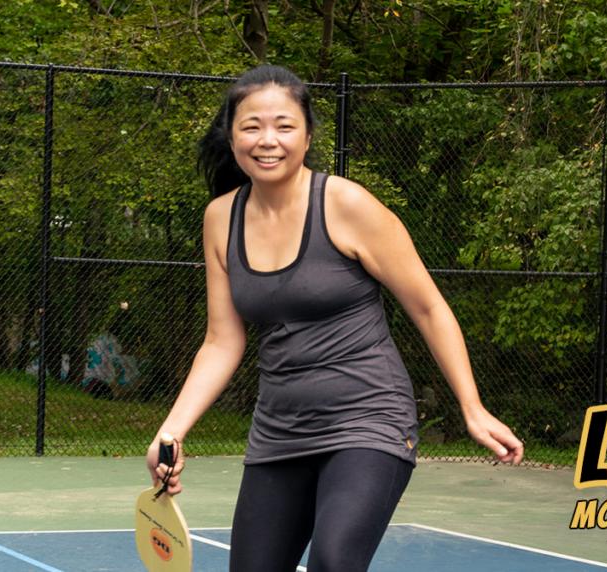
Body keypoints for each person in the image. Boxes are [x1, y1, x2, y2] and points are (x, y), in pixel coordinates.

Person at [145, 65, 524, 572]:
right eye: (251, 126)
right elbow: (221, 340)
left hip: (369, 422)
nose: (267, 140)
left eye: (284, 125)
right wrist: (172, 429)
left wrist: (471, 407)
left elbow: (429, 307)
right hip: (279, 432)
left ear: (306, 135)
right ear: (231, 136)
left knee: (334, 561)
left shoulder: (346, 204)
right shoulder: (221, 218)